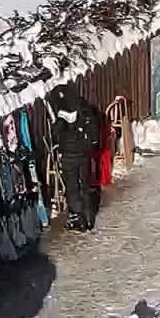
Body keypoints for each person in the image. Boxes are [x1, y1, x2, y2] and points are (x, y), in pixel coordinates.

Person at [49, 86, 102, 230]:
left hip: (68, 155)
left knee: (72, 187)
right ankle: (89, 218)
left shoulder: (61, 112)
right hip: (83, 154)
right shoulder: (83, 109)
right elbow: (94, 132)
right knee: (84, 185)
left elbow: (56, 134)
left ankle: (77, 218)